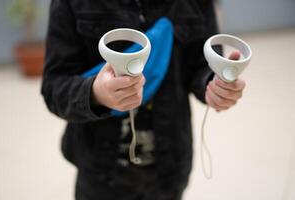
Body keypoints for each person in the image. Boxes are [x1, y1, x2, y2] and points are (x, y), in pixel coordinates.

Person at [41, 0, 246, 199]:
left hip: (170, 166)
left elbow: (202, 66)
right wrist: (95, 93)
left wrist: (215, 84)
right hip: (100, 170)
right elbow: (54, 86)